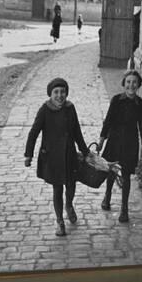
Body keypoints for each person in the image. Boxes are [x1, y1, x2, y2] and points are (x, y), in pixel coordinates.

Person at [24, 78, 89, 236]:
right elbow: (34, 132)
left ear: (66, 93)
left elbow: (77, 131)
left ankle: (69, 205)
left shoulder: (70, 108)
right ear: (50, 94)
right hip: (52, 157)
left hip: (69, 154)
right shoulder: (44, 110)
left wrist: (85, 151)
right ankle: (60, 221)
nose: (60, 95)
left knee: (71, 185)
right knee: (57, 188)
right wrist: (28, 154)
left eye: (63, 92)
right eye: (56, 92)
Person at [96, 70, 142, 223]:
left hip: (130, 143)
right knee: (111, 170)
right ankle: (107, 196)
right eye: (128, 82)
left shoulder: (140, 103)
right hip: (114, 140)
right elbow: (108, 121)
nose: (131, 85)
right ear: (124, 84)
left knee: (126, 175)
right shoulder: (116, 100)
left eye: (134, 82)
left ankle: (124, 209)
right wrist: (101, 140)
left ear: (138, 85)